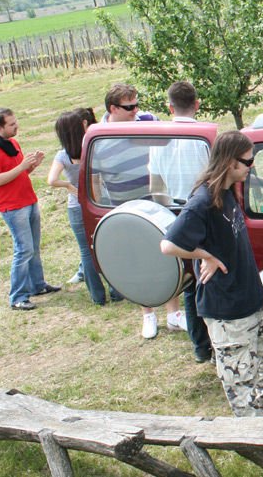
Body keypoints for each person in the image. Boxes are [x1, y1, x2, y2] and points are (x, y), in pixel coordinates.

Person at [160, 131, 263, 422]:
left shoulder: (227, 186)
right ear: (229, 162)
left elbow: (247, 178)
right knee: (240, 376)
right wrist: (206, 256)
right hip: (226, 308)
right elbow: (168, 245)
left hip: (254, 296)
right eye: (248, 162)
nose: (251, 167)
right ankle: (254, 435)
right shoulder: (202, 202)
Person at [97, 83, 186, 338]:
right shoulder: (99, 137)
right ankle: (147, 314)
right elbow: (95, 180)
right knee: (136, 260)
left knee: (168, 256)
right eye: (129, 107)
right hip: (125, 210)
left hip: (156, 203)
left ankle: (174, 313)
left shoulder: (148, 121)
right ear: (113, 108)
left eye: (136, 104)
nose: (136, 110)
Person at [148, 81, 213, 363]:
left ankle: (200, 346)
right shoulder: (205, 136)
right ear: (197, 104)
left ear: (170, 107)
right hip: (207, 209)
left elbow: (155, 186)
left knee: (190, 282)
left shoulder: (158, 140)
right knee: (211, 276)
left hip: (176, 210)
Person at [0, 109, 60, 311]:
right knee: (23, 250)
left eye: (16, 122)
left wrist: (32, 165)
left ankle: (37, 286)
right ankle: (17, 297)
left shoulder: (12, 143)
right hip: (13, 207)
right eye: (12, 124)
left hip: (28, 200)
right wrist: (23, 166)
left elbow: (18, 173)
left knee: (34, 247)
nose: (17, 126)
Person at [47, 109, 109, 306]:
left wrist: (68, 186)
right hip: (98, 202)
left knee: (86, 251)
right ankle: (117, 291)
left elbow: (51, 180)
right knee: (106, 246)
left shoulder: (63, 155)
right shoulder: (91, 148)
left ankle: (98, 296)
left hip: (76, 206)